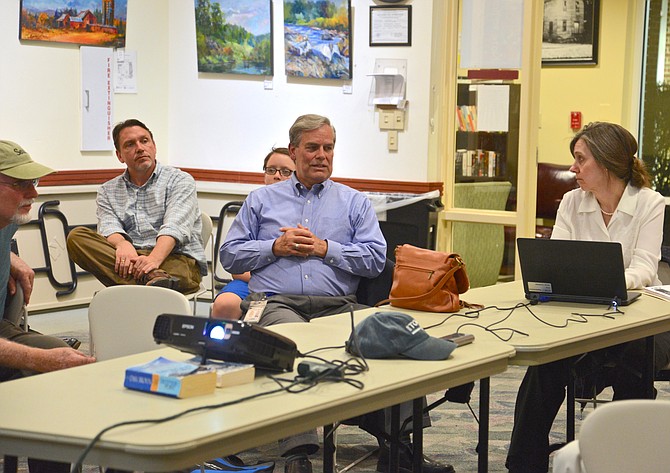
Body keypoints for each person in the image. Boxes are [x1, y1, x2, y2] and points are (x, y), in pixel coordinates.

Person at [221, 114, 454, 473]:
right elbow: (229, 255)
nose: (321, 155)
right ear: (294, 151)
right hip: (276, 303)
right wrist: (275, 247)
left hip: (339, 305)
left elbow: (377, 260)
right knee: (288, 342)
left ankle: (400, 445)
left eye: (328, 148)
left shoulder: (354, 202)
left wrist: (324, 248)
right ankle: (297, 453)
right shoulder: (261, 200)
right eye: (312, 147)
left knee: (391, 341)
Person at [505, 121, 670, 473]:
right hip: (584, 316)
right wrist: (592, 287)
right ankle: (522, 465)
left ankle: (626, 462)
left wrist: (605, 283)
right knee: (544, 362)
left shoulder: (649, 203)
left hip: (641, 321)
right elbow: (557, 263)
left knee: (635, 360)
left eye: (581, 160)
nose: (572, 168)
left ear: (607, 163)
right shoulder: (571, 201)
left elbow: (644, 267)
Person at [0, 140, 96, 473]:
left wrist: (12, 259)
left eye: (34, 182)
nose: (33, 193)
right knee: (53, 365)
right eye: (20, 184)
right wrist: (43, 359)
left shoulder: (9, 218)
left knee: (68, 375)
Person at [66, 119, 207, 294]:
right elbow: (109, 227)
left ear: (154, 146)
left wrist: (153, 260)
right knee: (77, 237)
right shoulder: (107, 190)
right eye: (130, 144)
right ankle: (153, 280)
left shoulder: (180, 180)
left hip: (174, 258)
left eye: (144, 141)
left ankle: (146, 281)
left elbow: (174, 227)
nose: (139, 148)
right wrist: (122, 244)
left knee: (179, 272)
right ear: (120, 156)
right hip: (129, 258)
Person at [211, 147, 295, 319]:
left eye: (286, 171)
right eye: (271, 170)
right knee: (224, 304)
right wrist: (262, 281)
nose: (277, 176)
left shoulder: (308, 209)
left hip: (290, 287)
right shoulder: (253, 204)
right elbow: (236, 266)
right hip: (250, 282)